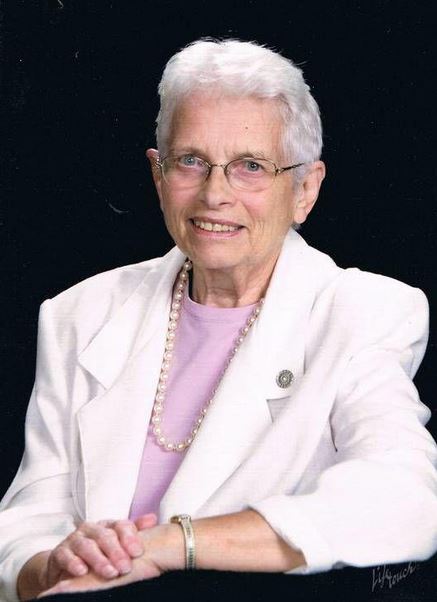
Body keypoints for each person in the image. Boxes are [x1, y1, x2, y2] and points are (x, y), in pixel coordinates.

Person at [1, 38, 437, 601]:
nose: (215, 194)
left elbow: (406, 500)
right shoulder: (79, 313)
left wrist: (167, 545)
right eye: (191, 161)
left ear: (305, 190)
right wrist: (54, 565)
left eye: (250, 167)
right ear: (158, 175)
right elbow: (27, 518)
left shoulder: (363, 312)